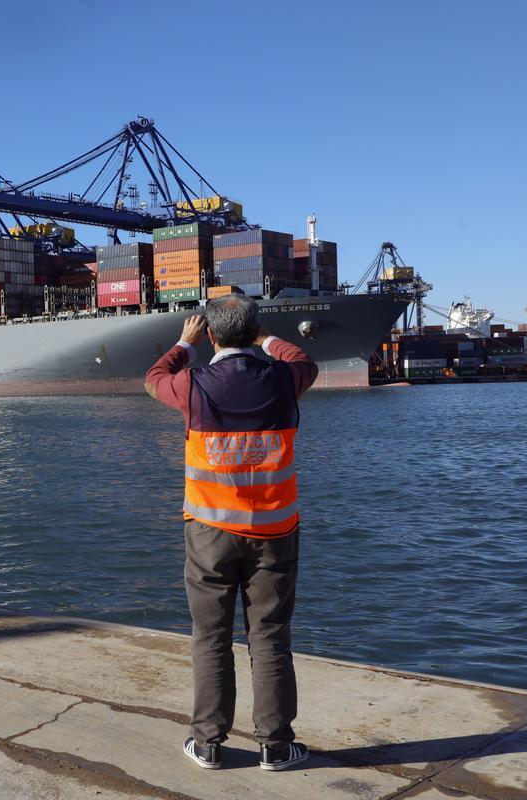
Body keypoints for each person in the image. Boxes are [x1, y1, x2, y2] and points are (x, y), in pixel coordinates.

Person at [144, 294, 318, 772]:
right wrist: (265, 337)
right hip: (275, 533)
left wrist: (184, 343)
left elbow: (153, 379)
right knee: (270, 636)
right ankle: (277, 748)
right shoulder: (285, 379)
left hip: (209, 535)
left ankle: (208, 744)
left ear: (212, 335)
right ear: (254, 332)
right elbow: (303, 358)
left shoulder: (191, 386)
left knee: (210, 637)